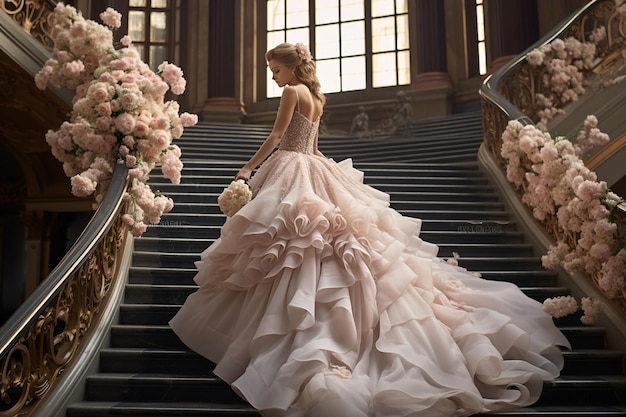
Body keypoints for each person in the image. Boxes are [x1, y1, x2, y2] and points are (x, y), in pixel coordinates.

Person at [169, 42, 570, 417]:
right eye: (272, 71)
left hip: (292, 168)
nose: (274, 77)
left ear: (292, 68)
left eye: (276, 70)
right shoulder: (316, 98)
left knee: (295, 245)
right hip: (312, 165)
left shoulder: (291, 93)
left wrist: (247, 168)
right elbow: (311, 145)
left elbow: (278, 137)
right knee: (312, 244)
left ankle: (289, 328)